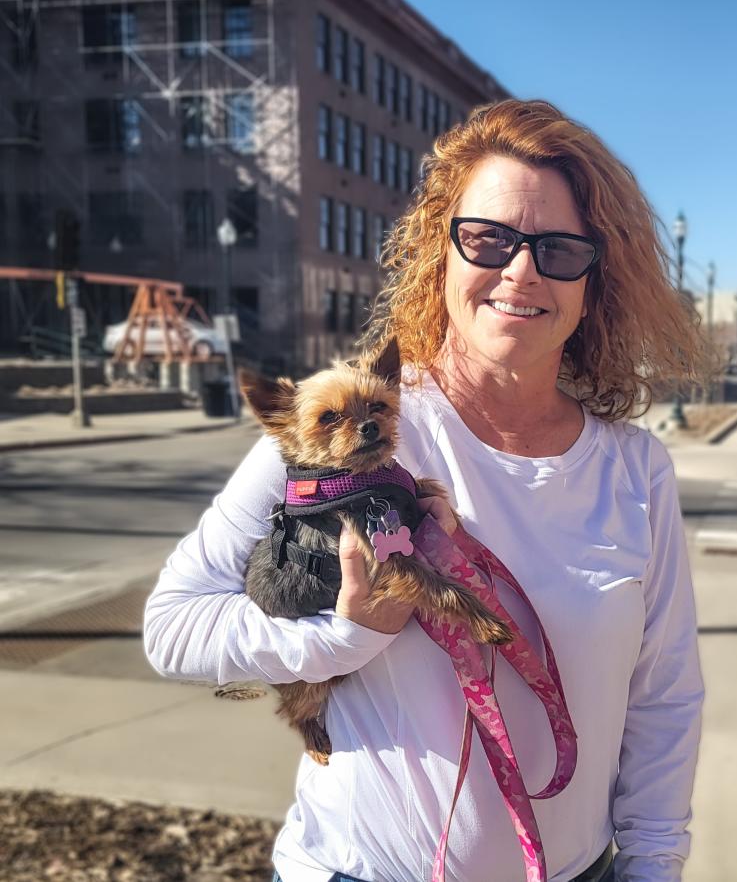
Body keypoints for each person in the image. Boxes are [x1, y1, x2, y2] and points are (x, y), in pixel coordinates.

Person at [144, 99, 708, 882]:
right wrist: (341, 635)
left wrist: (653, 866)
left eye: (559, 249)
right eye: (489, 238)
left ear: (593, 280)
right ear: (440, 249)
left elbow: (663, 697)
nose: (521, 270)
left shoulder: (635, 469)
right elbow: (173, 627)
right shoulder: (342, 429)